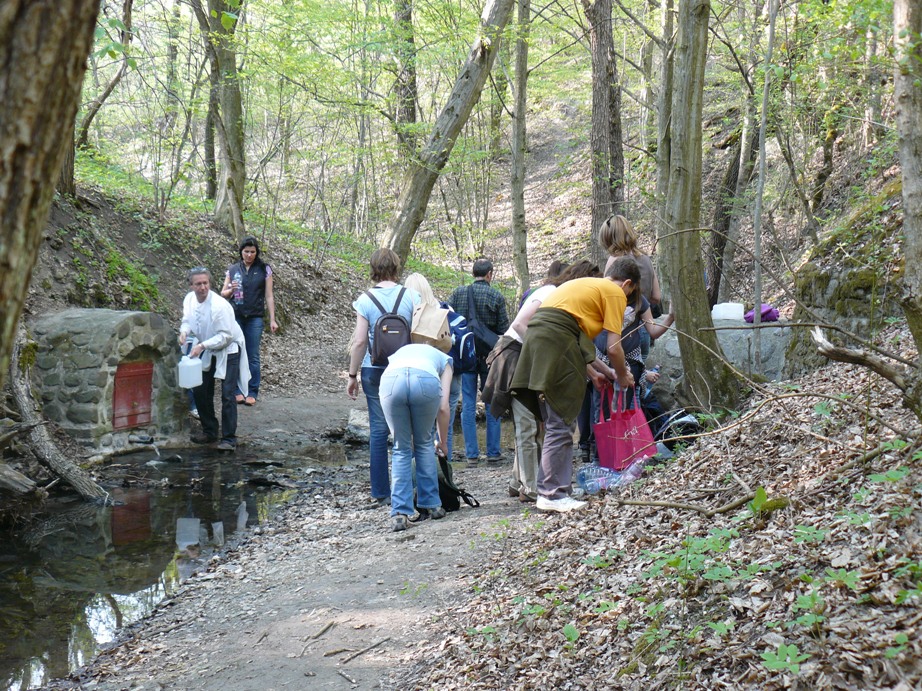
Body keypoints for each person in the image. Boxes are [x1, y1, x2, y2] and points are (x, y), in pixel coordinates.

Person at [510, 256, 640, 513]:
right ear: (627, 284)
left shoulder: (585, 287)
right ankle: (552, 494)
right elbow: (614, 347)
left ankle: (554, 488)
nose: (626, 298)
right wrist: (624, 374)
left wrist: (602, 373)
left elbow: (581, 342)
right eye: (630, 293)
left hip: (540, 337)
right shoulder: (614, 292)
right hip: (555, 340)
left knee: (555, 420)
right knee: (561, 420)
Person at [482, 260, 601, 503]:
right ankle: (533, 487)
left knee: (537, 423)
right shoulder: (550, 292)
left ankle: (519, 482)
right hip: (515, 355)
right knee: (527, 425)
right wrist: (542, 351)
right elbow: (519, 324)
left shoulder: (564, 300)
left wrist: (597, 372)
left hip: (528, 356)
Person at [346, 249, 420, 507]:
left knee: (378, 429)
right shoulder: (411, 296)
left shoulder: (365, 300)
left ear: (373, 268)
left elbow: (358, 342)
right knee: (407, 429)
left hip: (374, 370)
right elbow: (420, 335)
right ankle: (412, 486)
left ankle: (380, 491)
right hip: (406, 368)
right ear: (397, 268)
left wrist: (352, 375)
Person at [379, 343, 453, 532]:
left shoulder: (399, 352)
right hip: (425, 380)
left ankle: (399, 514)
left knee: (400, 448)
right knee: (424, 444)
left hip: (390, 380)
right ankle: (433, 506)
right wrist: (443, 442)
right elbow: (443, 407)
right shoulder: (446, 360)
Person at [179, 267, 250, 452]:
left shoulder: (219, 306)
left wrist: (202, 346)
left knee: (227, 393)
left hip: (229, 348)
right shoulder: (189, 300)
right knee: (201, 390)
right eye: (198, 284)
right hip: (206, 347)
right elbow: (187, 320)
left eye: (205, 283)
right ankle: (209, 430)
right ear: (191, 285)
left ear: (209, 283)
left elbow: (225, 336)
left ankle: (229, 438)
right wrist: (184, 332)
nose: (202, 287)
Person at [446, 258, 510, 464]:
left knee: (468, 403)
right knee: (492, 402)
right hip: (490, 357)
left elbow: (447, 322)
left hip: (465, 356)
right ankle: (493, 452)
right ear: (490, 274)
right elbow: (503, 330)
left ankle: (471, 454)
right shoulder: (496, 296)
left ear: (473, 273)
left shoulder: (457, 294)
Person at [405, 273, 461, 455]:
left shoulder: (410, 313)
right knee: (446, 427)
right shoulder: (445, 309)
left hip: (422, 375)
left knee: (422, 431)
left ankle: (422, 473)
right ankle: (445, 472)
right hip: (449, 371)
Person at [220, 236, 278, 406]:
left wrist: (272, 319)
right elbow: (223, 293)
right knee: (235, 352)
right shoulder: (233, 269)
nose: (249, 255)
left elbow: (269, 295)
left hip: (255, 317)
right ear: (241, 252)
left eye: (253, 252)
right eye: (246, 251)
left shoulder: (264, 269)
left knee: (253, 355)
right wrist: (231, 289)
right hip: (236, 315)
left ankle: (252, 391)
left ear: (257, 252)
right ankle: (237, 390)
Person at [599, 215, 662, 360]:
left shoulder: (614, 260)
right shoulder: (646, 259)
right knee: (639, 376)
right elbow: (656, 297)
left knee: (617, 377)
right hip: (643, 330)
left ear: (608, 238)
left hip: (620, 333)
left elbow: (605, 296)